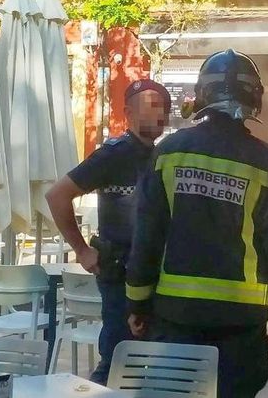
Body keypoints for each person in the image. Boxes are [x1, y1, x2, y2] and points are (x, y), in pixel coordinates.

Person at [125, 49, 268, 398]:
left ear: (201, 94)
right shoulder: (266, 162)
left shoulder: (168, 152)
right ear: (255, 97)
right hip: (241, 320)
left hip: (176, 314)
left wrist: (137, 303)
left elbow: (147, 235)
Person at [45, 79, 171, 385]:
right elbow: (57, 195)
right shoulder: (114, 155)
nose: (159, 114)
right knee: (118, 359)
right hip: (119, 275)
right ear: (128, 112)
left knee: (147, 363)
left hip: (154, 276)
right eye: (151, 106)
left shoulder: (163, 156)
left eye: (164, 108)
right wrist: (81, 249)